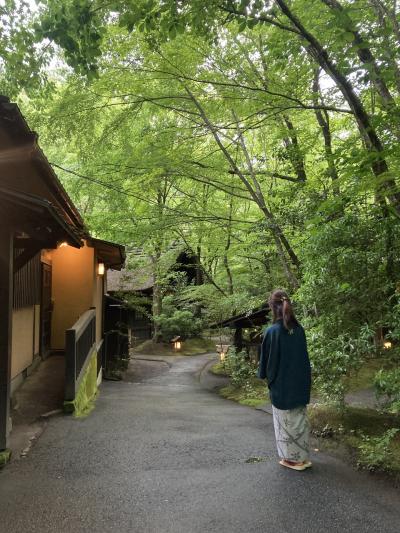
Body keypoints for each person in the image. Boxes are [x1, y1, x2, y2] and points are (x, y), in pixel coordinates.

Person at [258, 289, 312, 471]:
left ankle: (292, 460)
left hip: (282, 385)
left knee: (285, 423)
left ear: (273, 308)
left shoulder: (272, 331)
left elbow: (267, 361)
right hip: (300, 383)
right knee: (299, 420)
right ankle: (302, 458)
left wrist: (266, 377)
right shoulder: (299, 330)